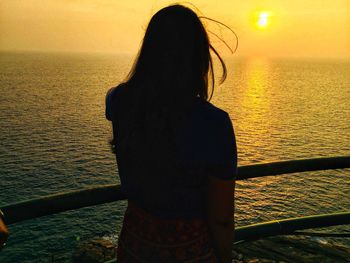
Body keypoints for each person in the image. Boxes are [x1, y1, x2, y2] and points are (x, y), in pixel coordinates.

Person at [106, 4, 237, 263]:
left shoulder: (119, 102)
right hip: (191, 252)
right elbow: (221, 218)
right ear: (198, 58)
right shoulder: (215, 124)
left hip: (134, 246)